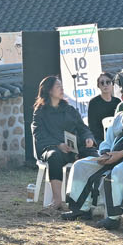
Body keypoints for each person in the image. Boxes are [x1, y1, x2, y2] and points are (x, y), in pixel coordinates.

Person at [65, 74, 123, 222]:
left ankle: (113, 216)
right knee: (80, 165)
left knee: (117, 172)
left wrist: (119, 155)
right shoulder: (119, 117)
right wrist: (105, 154)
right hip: (113, 157)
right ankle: (81, 208)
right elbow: (108, 139)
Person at [31, 76, 91, 208]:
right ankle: (57, 199)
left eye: (62, 86)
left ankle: (90, 201)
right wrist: (58, 144)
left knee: (92, 154)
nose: (62, 89)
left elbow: (83, 128)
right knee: (54, 156)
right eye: (58, 86)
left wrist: (88, 138)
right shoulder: (40, 112)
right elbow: (39, 133)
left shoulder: (69, 109)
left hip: (73, 148)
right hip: (51, 147)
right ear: (49, 90)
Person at [84, 71, 118, 142]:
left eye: (108, 82)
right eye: (102, 83)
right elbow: (92, 126)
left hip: (116, 138)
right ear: (98, 86)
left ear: (112, 84)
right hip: (100, 139)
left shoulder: (117, 101)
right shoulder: (93, 102)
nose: (105, 85)